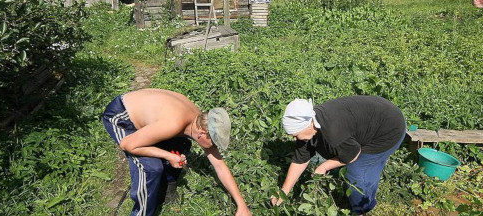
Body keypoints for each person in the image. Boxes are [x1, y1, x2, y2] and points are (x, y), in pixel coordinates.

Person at [103, 88, 251, 216]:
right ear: (202, 133)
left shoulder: (200, 121)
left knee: (183, 144)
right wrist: (168, 156)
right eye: (214, 142)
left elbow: (220, 166)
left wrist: (242, 205)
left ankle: (165, 189)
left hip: (150, 118)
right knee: (151, 168)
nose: (214, 147)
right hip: (121, 116)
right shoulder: (174, 124)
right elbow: (127, 145)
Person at [272, 96, 406, 215]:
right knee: (330, 156)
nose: (294, 139)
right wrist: (284, 191)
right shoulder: (312, 124)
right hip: (375, 115)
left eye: (295, 135)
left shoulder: (333, 131)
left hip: (389, 129)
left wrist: (324, 167)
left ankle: (362, 208)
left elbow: (352, 154)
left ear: (309, 125)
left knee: (356, 172)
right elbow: (300, 159)